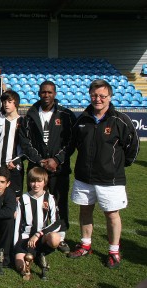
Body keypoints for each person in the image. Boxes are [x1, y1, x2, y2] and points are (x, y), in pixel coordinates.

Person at [68, 79, 139, 269]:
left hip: (111, 179)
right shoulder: (82, 119)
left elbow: (133, 146)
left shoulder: (120, 120)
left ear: (110, 97)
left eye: (102, 96)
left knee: (112, 214)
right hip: (84, 177)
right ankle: (85, 244)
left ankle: (114, 250)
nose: (98, 99)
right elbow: (72, 145)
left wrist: (118, 165)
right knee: (85, 210)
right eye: (94, 95)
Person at [19, 80, 76, 253]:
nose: (46, 95)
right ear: (39, 93)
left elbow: (72, 141)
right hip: (37, 167)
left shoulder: (66, 115)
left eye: (50, 92)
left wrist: (57, 160)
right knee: (35, 199)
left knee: (59, 200)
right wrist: (40, 161)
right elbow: (25, 142)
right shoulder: (30, 114)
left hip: (59, 168)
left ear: (55, 94)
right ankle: (32, 232)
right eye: (43, 92)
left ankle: (60, 237)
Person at [14, 167, 61, 278]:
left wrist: (38, 234)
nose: (36, 184)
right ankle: (33, 255)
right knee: (22, 268)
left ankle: (41, 253)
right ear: (29, 182)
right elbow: (17, 224)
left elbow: (56, 223)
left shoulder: (50, 198)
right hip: (25, 238)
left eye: (39, 181)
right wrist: (16, 245)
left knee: (55, 238)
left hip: (41, 238)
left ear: (45, 182)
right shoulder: (23, 199)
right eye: (33, 181)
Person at [0, 90, 24, 198]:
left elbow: (27, 147)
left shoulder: (23, 122)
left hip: (15, 167)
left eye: (9, 101)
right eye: (4, 101)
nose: (6, 104)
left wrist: (17, 161)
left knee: (15, 199)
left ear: (16, 103)